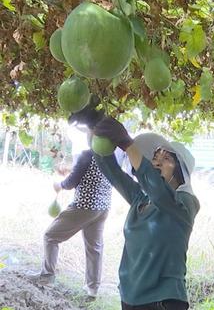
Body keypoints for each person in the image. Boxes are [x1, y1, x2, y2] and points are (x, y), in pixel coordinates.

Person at [92, 117, 200, 310]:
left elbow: (160, 193)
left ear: (181, 171)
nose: (157, 163)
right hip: (130, 298)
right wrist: (95, 130)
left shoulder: (186, 204)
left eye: (166, 159)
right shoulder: (140, 199)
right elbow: (111, 171)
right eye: (155, 158)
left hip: (163, 302)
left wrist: (127, 144)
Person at [29, 102, 112, 299]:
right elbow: (87, 174)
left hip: (84, 206)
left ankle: (47, 277)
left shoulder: (87, 153)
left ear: (91, 132)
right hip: (103, 207)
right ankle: (92, 289)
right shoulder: (108, 153)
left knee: (50, 236)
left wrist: (59, 185)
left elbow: (72, 182)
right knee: (95, 248)